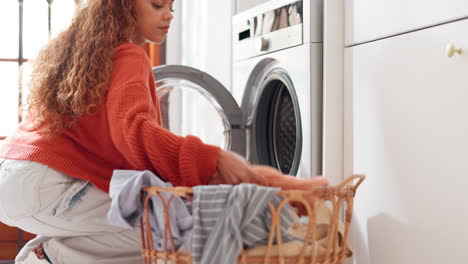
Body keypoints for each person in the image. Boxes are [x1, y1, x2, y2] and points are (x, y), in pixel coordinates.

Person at [0, 0, 328, 263]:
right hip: (47, 184)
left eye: (171, 6)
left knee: (147, 222)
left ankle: (47, 254)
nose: (168, 15)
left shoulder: (93, 54)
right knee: (168, 231)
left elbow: (119, 138)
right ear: (124, 6)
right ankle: (46, 257)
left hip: (16, 177)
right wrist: (214, 158)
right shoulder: (129, 55)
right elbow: (135, 131)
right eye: (157, 6)